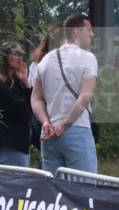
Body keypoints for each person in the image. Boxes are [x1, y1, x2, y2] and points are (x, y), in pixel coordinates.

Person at [31, 13, 98, 174]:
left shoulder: (45, 60)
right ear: (77, 32)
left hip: (48, 134)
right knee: (83, 190)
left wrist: (46, 122)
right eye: (89, 30)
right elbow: (85, 97)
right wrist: (63, 126)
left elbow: (36, 99)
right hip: (76, 129)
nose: (92, 34)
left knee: (54, 193)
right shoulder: (88, 58)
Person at [0, 41, 34, 167]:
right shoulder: (3, 84)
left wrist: (26, 83)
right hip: (10, 144)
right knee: (14, 182)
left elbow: (29, 109)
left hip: (17, 144)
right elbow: (25, 114)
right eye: (15, 54)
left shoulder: (15, 82)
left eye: (21, 55)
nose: (19, 58)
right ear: (5, 57)